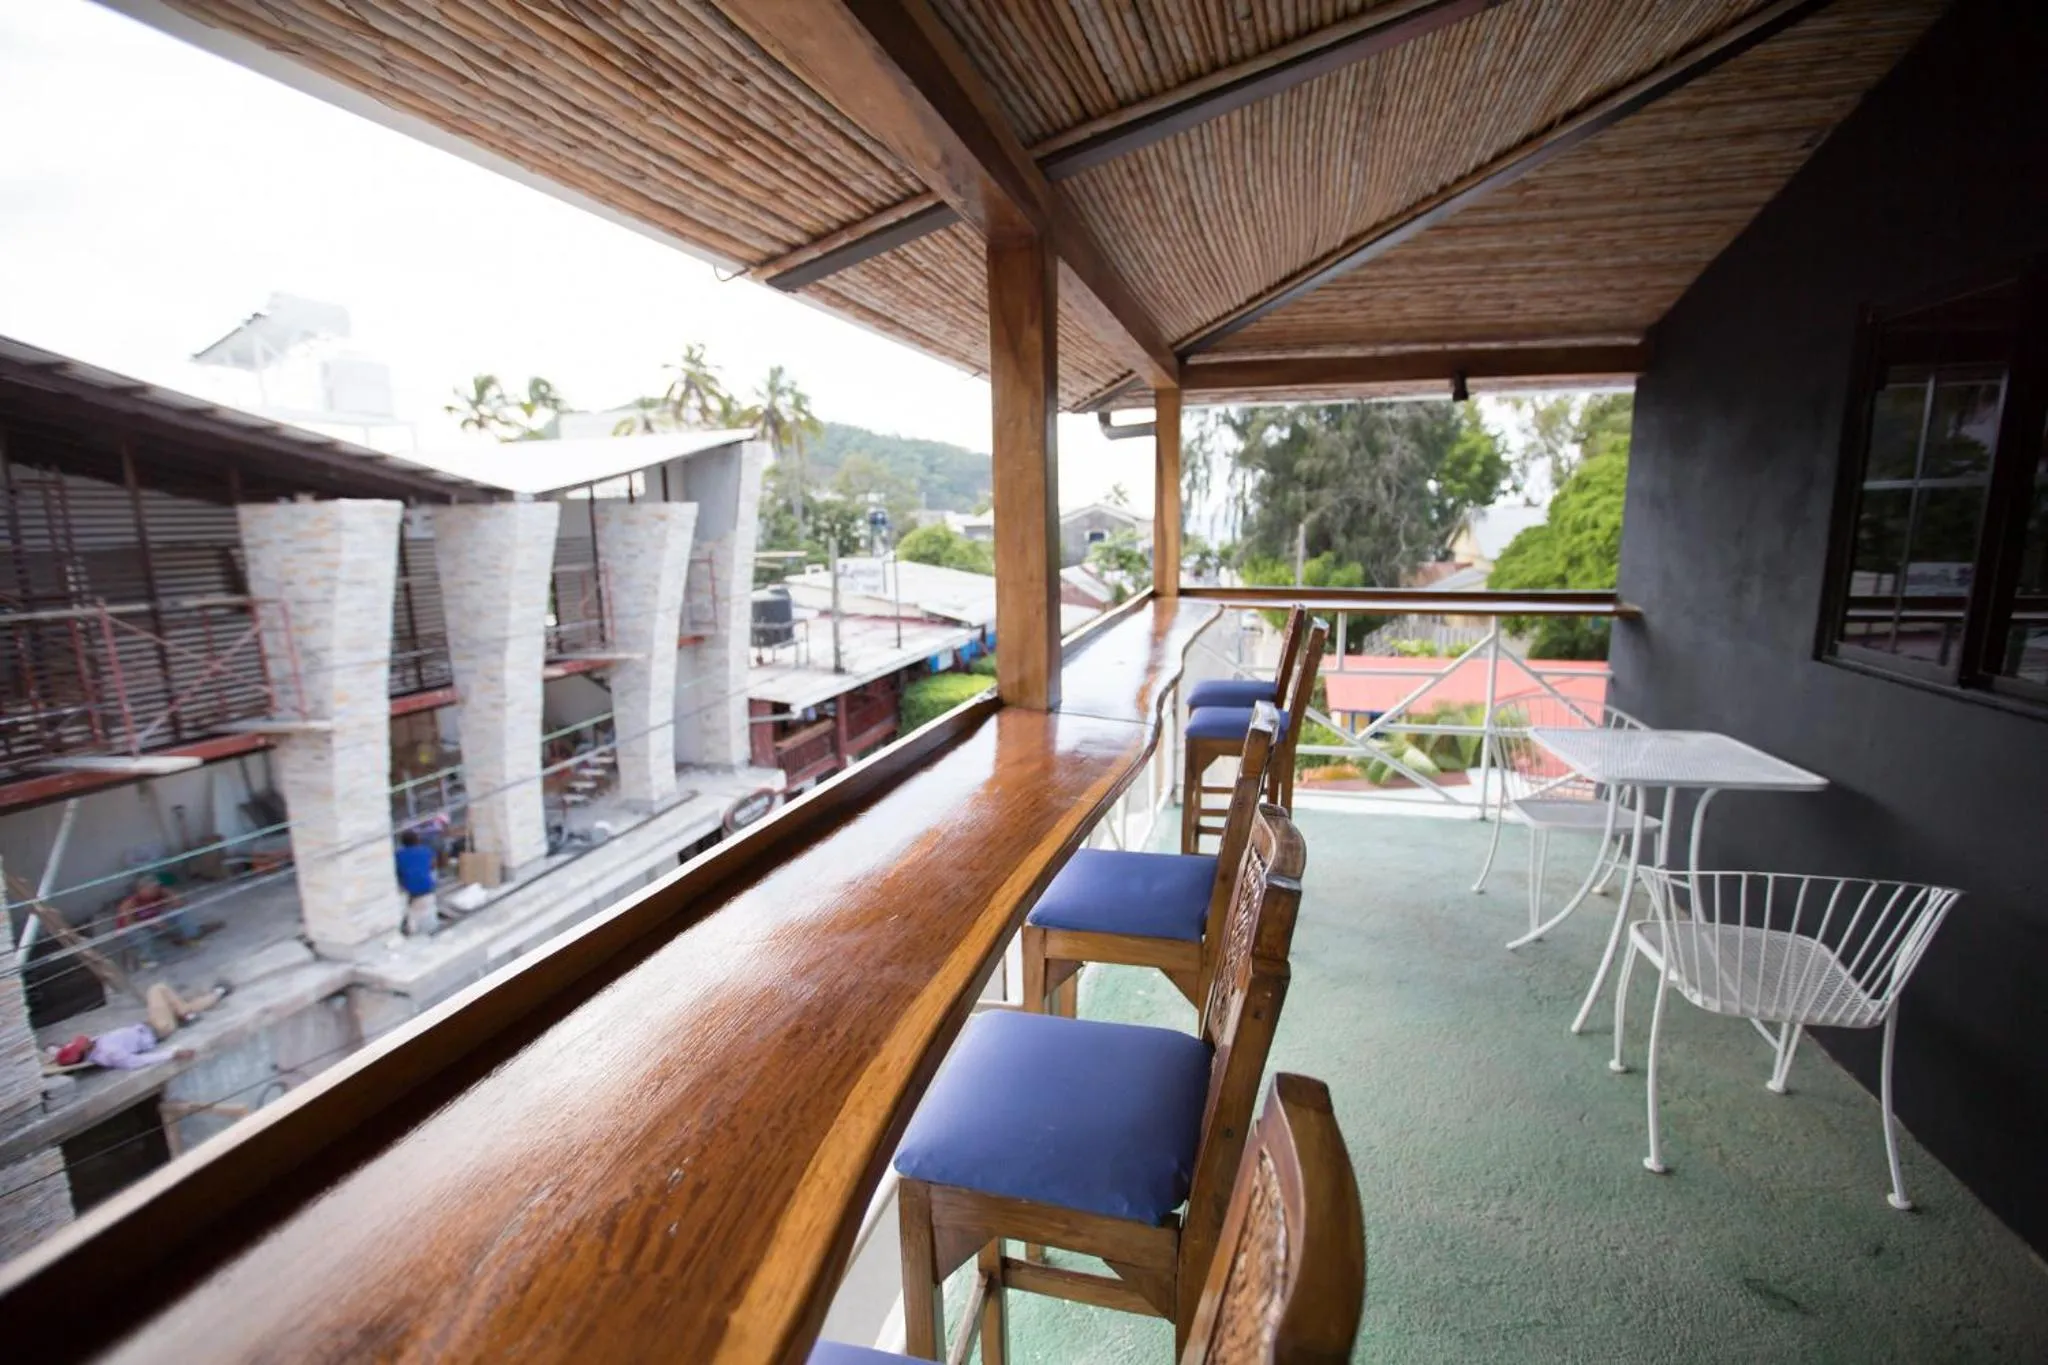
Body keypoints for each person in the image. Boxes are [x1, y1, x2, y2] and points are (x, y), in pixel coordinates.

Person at [115, 876, 197, 964]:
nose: (155, 890)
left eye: (156, 887)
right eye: (151, 888)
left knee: (179, 913)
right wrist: (150, 923)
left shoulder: (160, 893)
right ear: (140, 890)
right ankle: (147, 958)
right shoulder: (130, 904)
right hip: (132, 930)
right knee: (141, 934)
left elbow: (182, 903)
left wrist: (172, 896)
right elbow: (129, 924)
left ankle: (190, 937)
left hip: (155, 922)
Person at [395, 829, 439, 935]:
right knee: (427, 915)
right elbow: (433, 865)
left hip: (410, 891)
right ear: (417, 840)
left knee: (413, 915)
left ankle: (411, 931)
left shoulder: (398, 855)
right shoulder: (426, 851)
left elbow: (398, 872)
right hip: (428, 887)